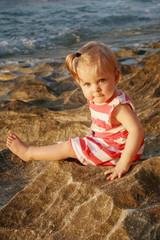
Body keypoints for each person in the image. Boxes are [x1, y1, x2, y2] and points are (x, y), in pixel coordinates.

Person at [6, 41, 144, 181]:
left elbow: (136, 130)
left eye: (101, 80)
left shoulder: (118, 106)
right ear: (80, 83)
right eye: (87, 84)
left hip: (120, 151)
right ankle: (68, 151)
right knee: (73, 146)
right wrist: (91, 135)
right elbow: (99, 122)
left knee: (69, 147)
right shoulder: (98, 97)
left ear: (115, 77)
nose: (95, 89)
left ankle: (29, 153)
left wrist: (123, 163)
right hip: (108, 141)